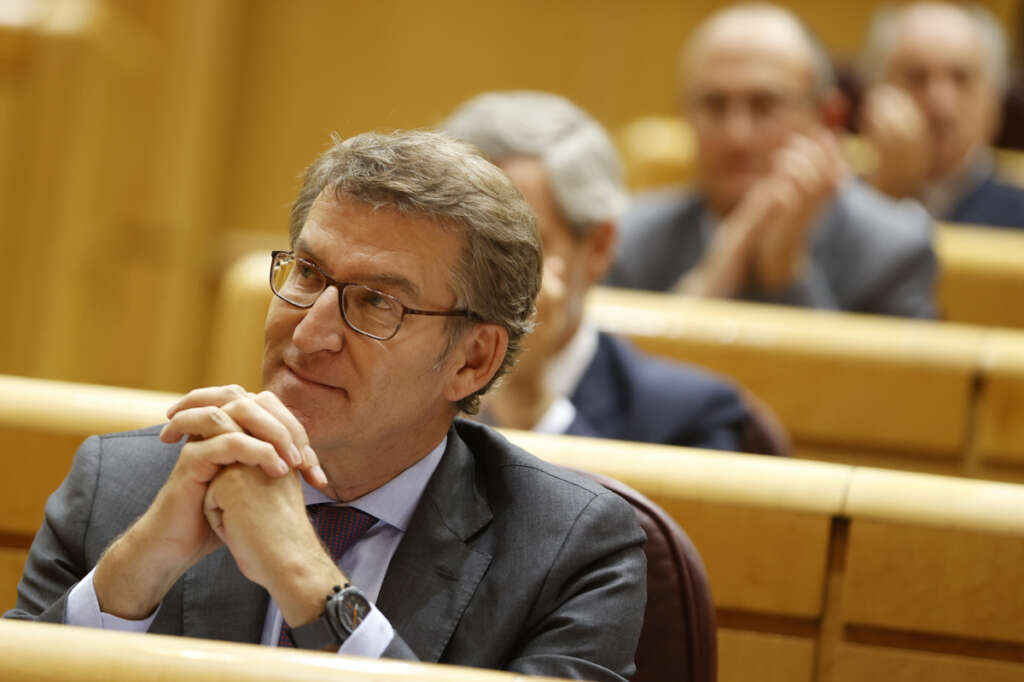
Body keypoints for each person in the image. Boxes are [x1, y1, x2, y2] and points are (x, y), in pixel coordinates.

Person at [6, 131, 646, 681]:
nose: (309, 333)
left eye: (376, 303)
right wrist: (129, 583)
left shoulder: (571, 552)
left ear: (472, 360)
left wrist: (307, 579)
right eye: (308, 274)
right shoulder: (122, 488)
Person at [444, 90, 786, 453]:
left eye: (511, 248)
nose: (475, 278)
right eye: (458, 248)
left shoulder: (691, 416)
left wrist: (530, 401)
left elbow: (625, 511)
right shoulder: (396, 372)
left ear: (598, 247)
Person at [606, 3, 937, 318]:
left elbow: (888, 379)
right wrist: (714, 273)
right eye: (714, 105)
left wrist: (788, 276)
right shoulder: (630, 239)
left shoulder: (895, 250)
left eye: (764, 106)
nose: (737, 136)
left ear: (829, 118)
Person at [859, 2, 1024, 228]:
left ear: (993, 102)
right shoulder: (826, 206)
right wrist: (885, 192)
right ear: (875, 93)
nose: (940, 104)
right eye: (917, 77)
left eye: (961, 78)